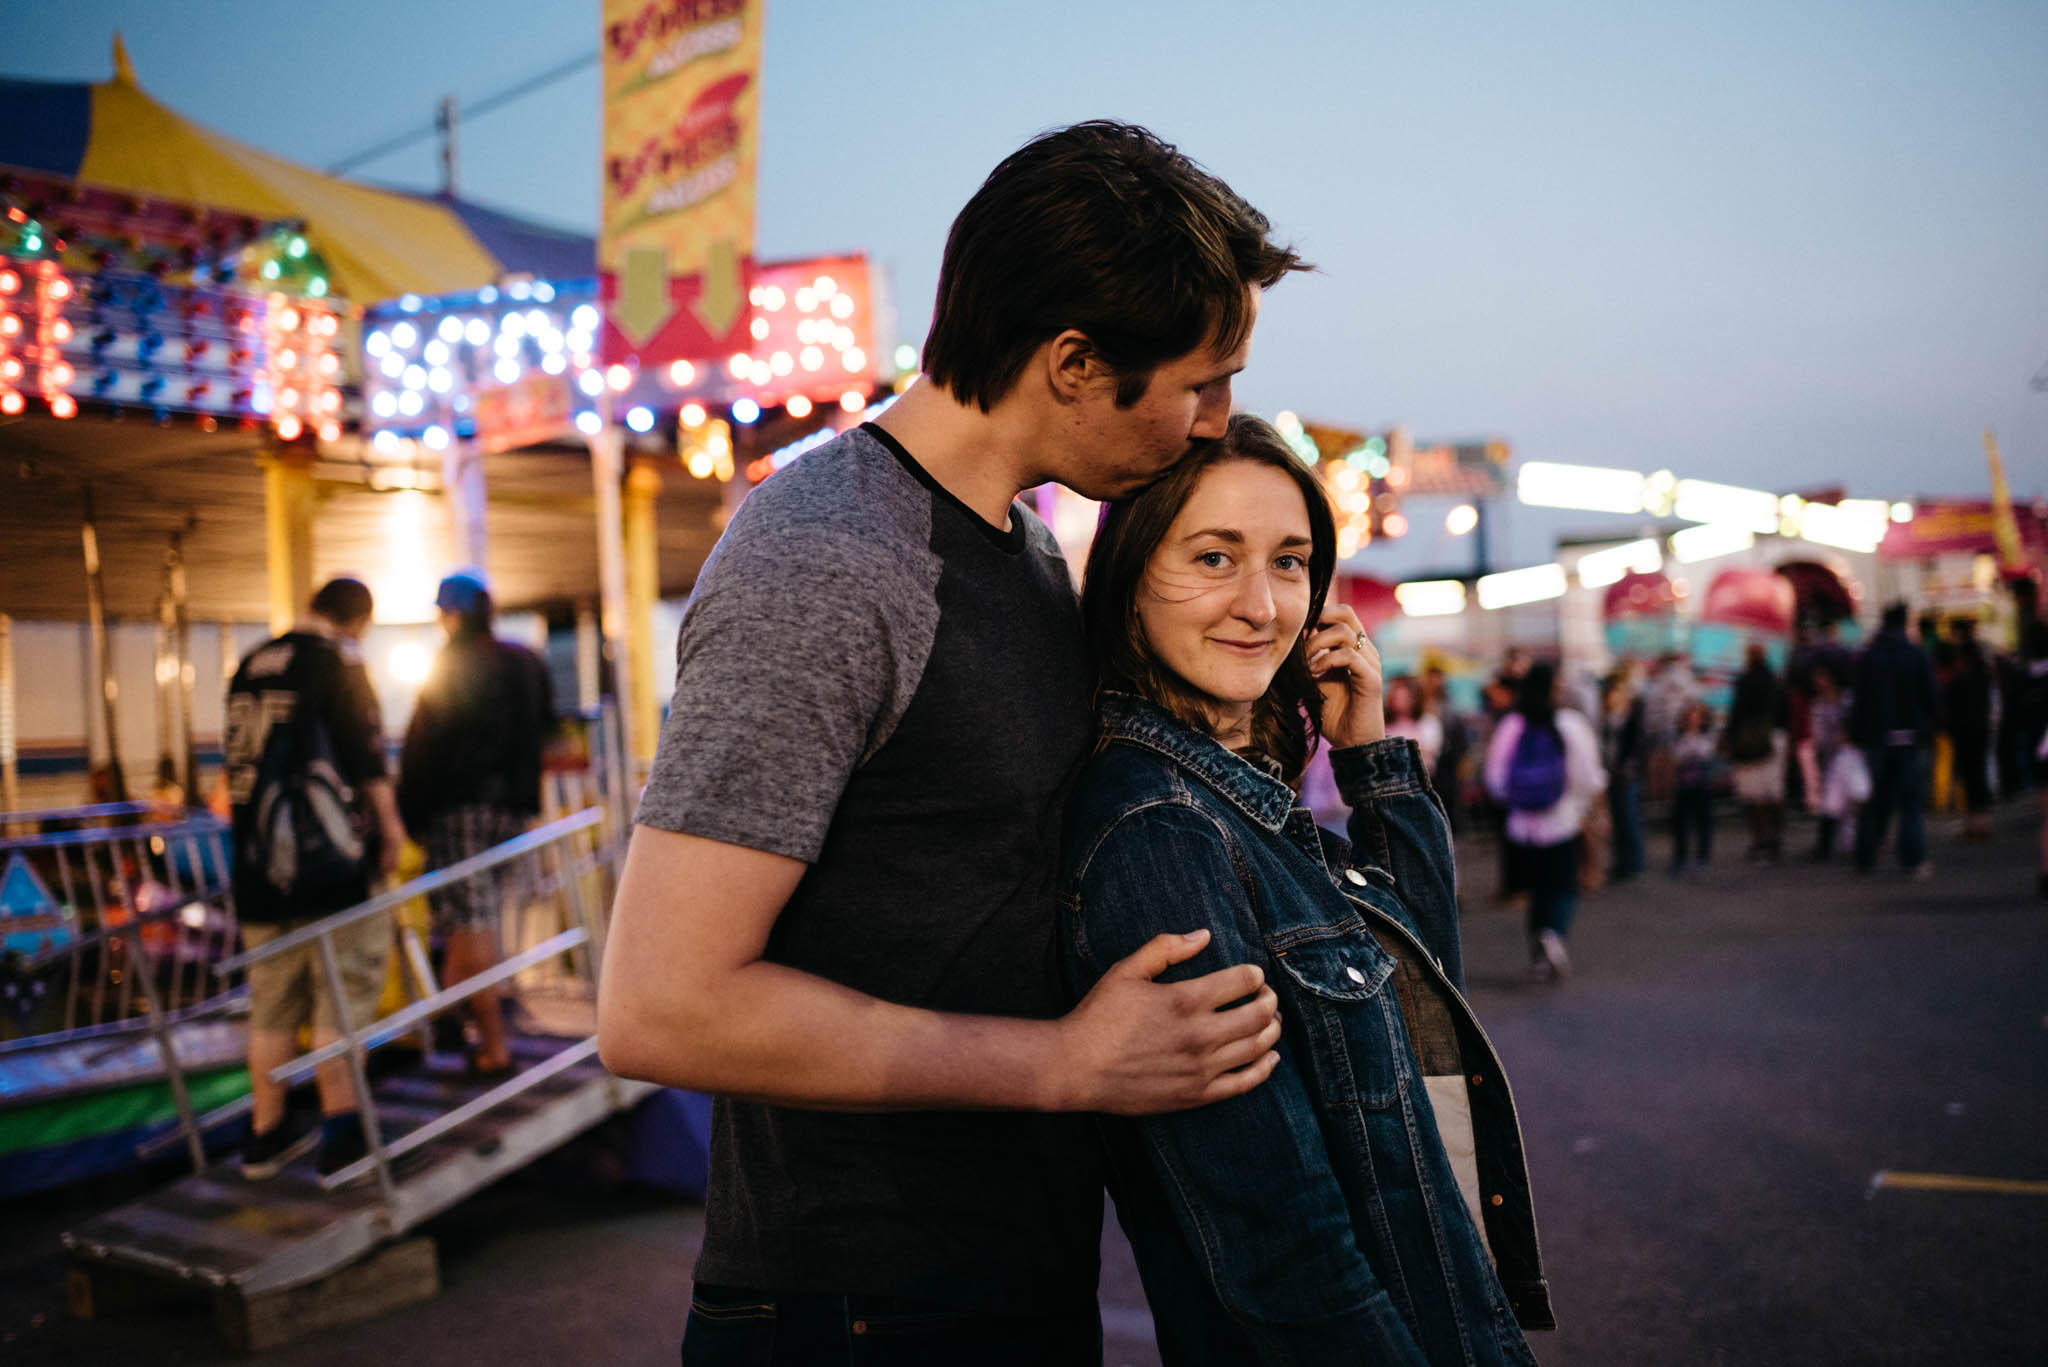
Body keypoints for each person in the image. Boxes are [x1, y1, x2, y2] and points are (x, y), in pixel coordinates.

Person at [595, 121, 1307, 1362]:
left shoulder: (1021, 542)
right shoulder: (827, 558)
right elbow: (661, 1007)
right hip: (850, 1309)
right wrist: (1065, 1064)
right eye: (1202, 382)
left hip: (1008, 1277)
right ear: (1075, 362)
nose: (1214, 421)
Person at [1062, 415, 1550, 1363]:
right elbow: (1282, 1250)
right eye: (1214, 557)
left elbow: (1426, 1007)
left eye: (1290, 563)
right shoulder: (1162, 833)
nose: (1262, 604)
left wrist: (1370, 754)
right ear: (1128, 587)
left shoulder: (1240, 797)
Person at [222, 577, 405, 1179]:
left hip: (257, 866)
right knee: (342, 993)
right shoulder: (338, 664)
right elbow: (364, 756)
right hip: (333, 867)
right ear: (359, 621)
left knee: (271, 1007)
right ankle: (343, 1134)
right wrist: (391, 830)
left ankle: (265, 1134)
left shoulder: (249, 663)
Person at [396, 568, 554, 1078]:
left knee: (471, 920)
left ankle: (493, 1045)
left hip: (460, 809)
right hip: (514, 811)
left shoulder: (451, 664)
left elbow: (424, 746)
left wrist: (410, 816)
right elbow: (547, 728)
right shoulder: (526, 661)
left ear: (454, 615)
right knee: (468, 917)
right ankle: (448, 1012)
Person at [1485, 661, 1605, 981]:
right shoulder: (1570, 724)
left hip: (1522, 826)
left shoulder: (1512, 725)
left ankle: (1539, 952)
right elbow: (1587, 776)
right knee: (1563, 885)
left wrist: (1513, 802)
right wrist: (1581, 808)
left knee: (1537, 891)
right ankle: (1553, 934)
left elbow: (1494, 777)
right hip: (1562, 820)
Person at [1851, 601, 1939, 878]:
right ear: (1905, 622)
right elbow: (1931, 697)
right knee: (1910, 803)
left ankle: (1865, 856)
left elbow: (1859, 700)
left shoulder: (1868, 656)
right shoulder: (1916, 654)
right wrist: (1928, 725)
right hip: (1910, 737)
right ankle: (1912, 860)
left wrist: (1858, 734)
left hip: (1875, 739)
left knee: (1873, 799)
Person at [1724, 643, 1788, 862]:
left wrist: (1728, 739)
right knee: (1773, 793)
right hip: (1775, 739)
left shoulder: (1745, 680)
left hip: (1750, 743)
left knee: (1754, 794)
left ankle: (1760, 840)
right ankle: (1775, 839)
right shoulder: (1775, 680)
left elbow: (1736, 712)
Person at [1943, 618, 1994, 842]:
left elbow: (1948, 708)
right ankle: (1982, 822)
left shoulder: (1958, 683)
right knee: (1978, 777)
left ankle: (1973, 823)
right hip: (1981, 731)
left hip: (1964, 734)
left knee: (1969, 778)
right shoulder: (1983, 678)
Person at [1808, 662, 1863, 860]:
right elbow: (1818, 733)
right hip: (1830, 756)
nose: (1818, 680)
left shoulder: (1846, 699)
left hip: (1848, 755)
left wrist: (1846, 735)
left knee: (1849, 802)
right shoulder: (1819, 703)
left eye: (1822, 675)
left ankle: (1853, 845)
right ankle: (1828, 845)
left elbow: (1856, 722)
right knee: (1829, 802)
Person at [1599, 670, 1648, 882]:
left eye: (1616, 692)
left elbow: (1636, 748)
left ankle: (1634, 863)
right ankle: (1622, 862)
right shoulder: (1607, 719)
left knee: (1628, 819)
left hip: (1627, 776)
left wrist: (1625, 767)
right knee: (1618, 821)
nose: (1612, 697)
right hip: (1611, 774)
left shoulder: (1631, 717)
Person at [1669, 699, 1719, 875]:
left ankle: (1702, 857)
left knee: (1703, 821)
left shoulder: (1707, 736)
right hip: (1684, 785)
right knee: (1681, 823)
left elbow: (1706, 753)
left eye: (1697, 716)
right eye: (1690, 716)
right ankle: (1680, 857)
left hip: (1701, 784)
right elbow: (1677, 757)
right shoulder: (1679, 736)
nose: (1693, 720)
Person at [1383, 674, 1443, 773]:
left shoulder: (1427, 723)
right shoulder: (1385, 723)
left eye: (1402, 697)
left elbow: (1428, 758)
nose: (1396, 698)